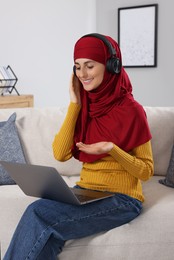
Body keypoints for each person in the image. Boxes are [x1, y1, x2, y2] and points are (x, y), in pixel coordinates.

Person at [4, 33, 154, 260]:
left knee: (37, 212)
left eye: (90, 66)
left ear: (111, 66)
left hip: (122, 199)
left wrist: (112, 149)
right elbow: (60, 154)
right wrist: (75, 103)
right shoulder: (84, 107)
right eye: (77, 66)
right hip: (86, 192)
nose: (82, 74)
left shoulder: (132, 110)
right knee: (48, 237)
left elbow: (146, 170)